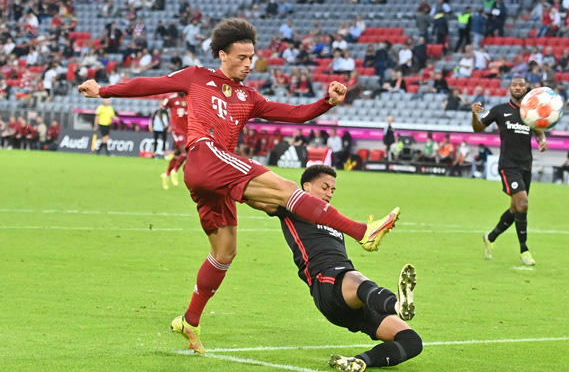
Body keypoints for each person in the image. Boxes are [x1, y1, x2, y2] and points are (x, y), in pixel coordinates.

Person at [78, 18, 400, 354]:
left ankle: (190, 320)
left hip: (217, 177)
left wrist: (326, 103)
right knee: (287, 188)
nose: (249, 64)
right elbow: (151, 84)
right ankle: (362, 231)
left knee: (225, 251)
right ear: (222, 54)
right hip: (205, 154)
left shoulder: (249, 97)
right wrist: (104, 90)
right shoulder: (198, 77)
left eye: (251, 57)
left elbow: (295, 112)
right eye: (242, 57)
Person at [248, 165, 421, 372]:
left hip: (349, 301)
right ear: (307, 187)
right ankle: (397, 304)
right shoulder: (289, 207)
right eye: (325, 187)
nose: (329, 193)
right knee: (356, 279)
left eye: (332, 190)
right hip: (326, 283)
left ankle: (359, 361)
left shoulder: (331, 218)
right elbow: (254, 198)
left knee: (412, 341)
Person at [472, 76, 548, 266]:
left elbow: (538, 130)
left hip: (526, 166)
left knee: (515, 210)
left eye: (521, 85)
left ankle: (490, 237)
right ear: (510, 88)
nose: (518, 88)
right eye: (514, 85)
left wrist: (542, 140)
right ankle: (524, 250)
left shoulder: (531, 111)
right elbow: (478, 128)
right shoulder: (500, 110)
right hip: (508, 165)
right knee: (523, 204)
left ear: (526, 88)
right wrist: (474, 115)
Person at [160, 92, 189, 189]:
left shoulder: (189, 97)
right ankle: (175, 170)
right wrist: (164, 124)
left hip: (187, 130)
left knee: (177, 153)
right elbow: (161, 110)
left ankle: (166, 174)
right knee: (185, 151)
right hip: (176, 129)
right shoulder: (171, 98)